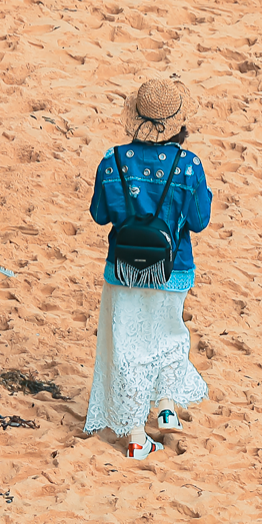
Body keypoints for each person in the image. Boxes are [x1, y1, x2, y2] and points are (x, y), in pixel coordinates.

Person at [82, 78, 213, 458]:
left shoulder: (113, 160)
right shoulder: (188, 165)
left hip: (123, 269)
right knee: (169, 333)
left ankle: (137, 435)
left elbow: (99, 214)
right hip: (173, 269)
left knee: (127, 348)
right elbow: (199, 220)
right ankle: (168, 405)